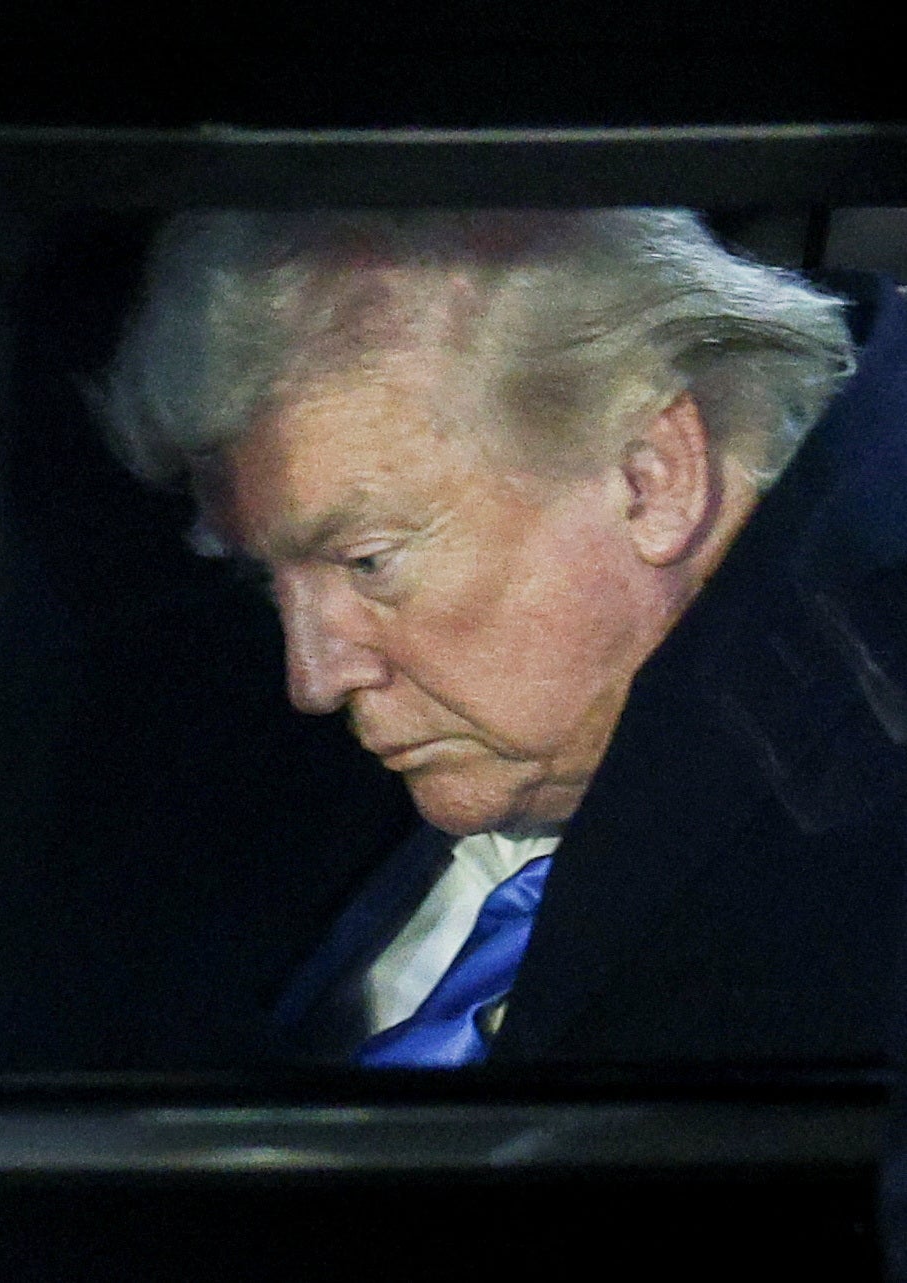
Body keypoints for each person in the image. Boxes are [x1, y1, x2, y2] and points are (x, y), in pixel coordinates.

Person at [101, 209, 907, 1067]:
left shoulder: (859, 861)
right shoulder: (228, 785)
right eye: (271, 580)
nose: (313, 677)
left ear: (651, 479)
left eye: (367, 562)